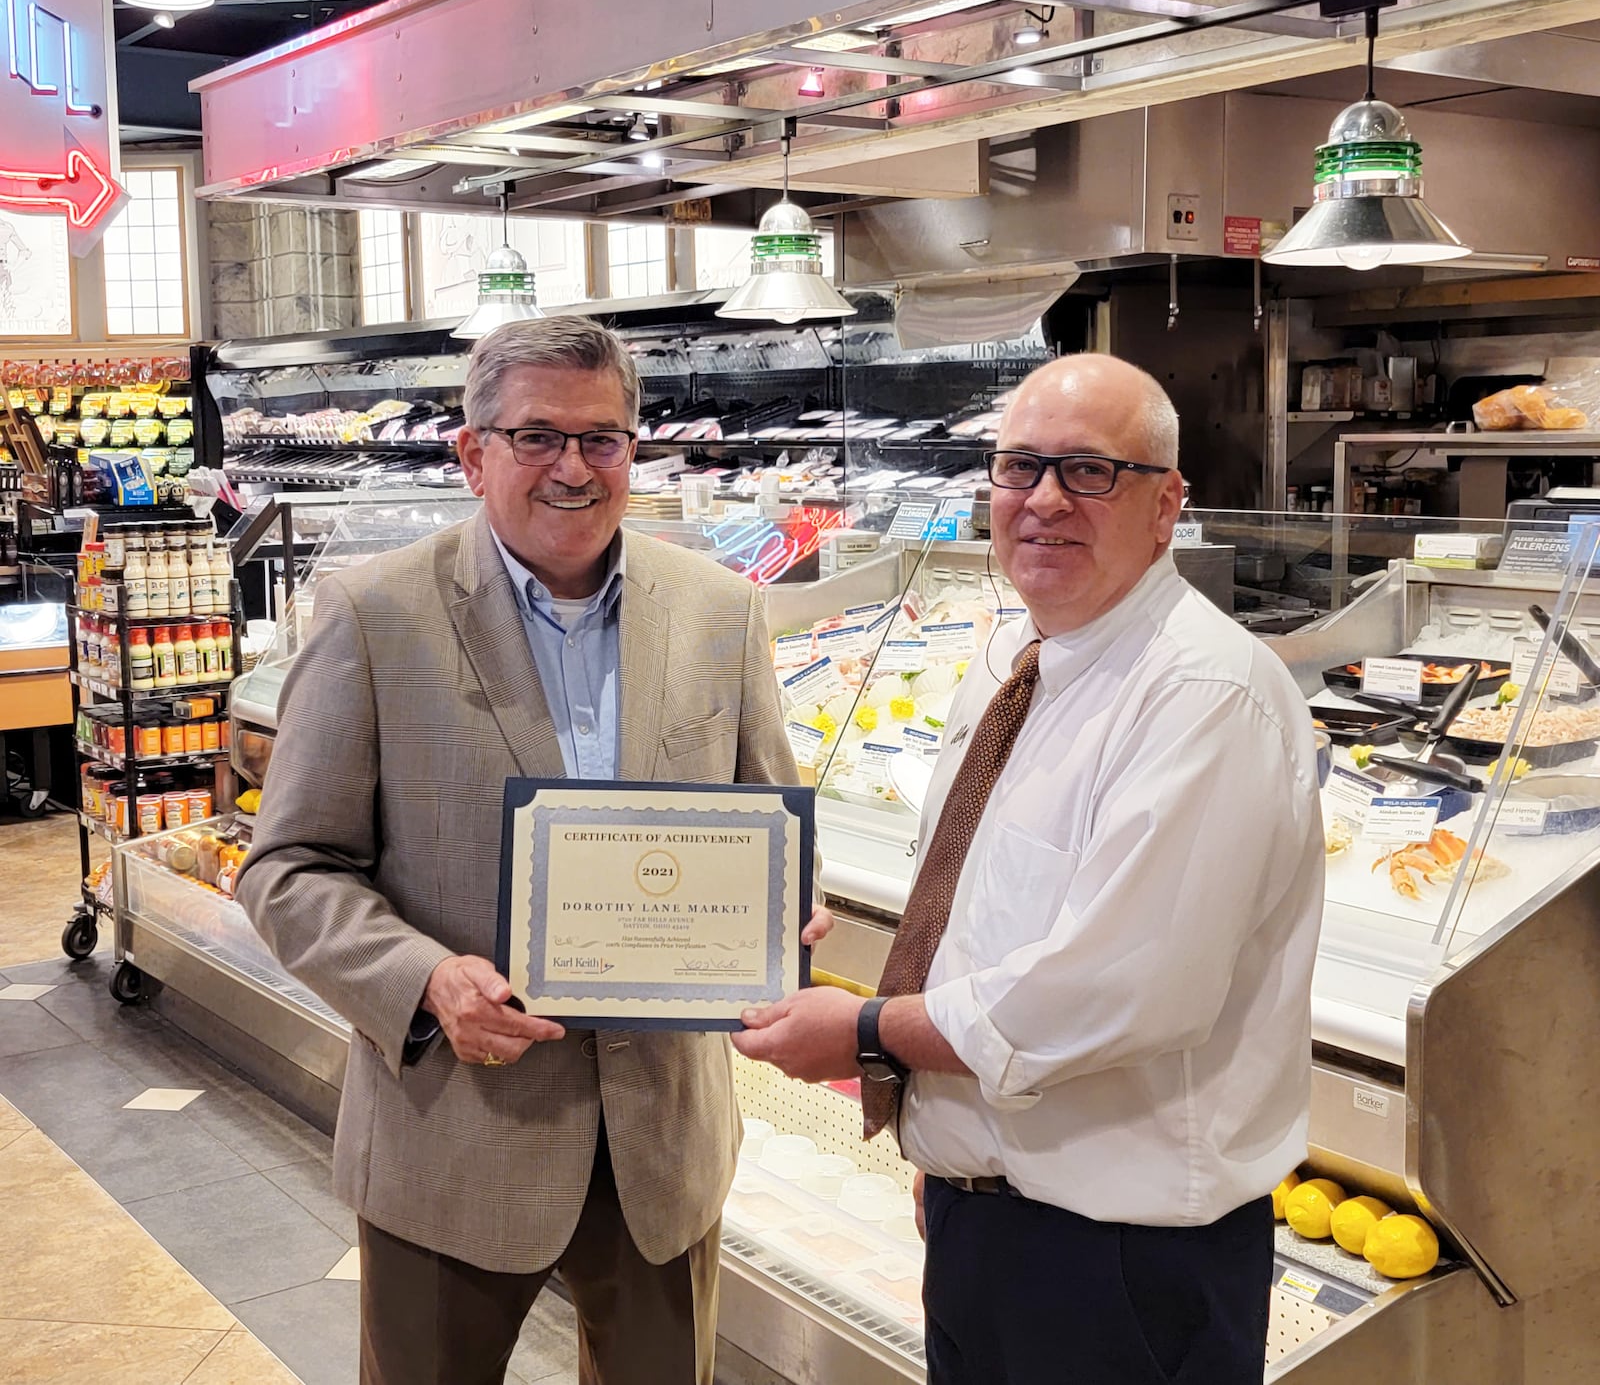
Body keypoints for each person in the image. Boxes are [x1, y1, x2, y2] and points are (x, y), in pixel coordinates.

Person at [238, 315, 829, 1385]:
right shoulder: (377, 614)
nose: (573, 466)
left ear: (633, 450)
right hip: (452, 1136)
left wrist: (778, 915)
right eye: (536, 438)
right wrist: (423, 980)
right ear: (472, 454)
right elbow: (287, 868)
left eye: (601, 438)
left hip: (660, 1143)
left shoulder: (719, 611)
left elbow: (772, 822)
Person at [733, 354, 1324, 1385]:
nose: (1043, 501)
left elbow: (1113, 995)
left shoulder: (1205, 696)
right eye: (1019, 468)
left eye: (1089, 472)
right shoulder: (1020, 657)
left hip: (1122, 1267)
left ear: (1165, 503)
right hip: (991, 1220)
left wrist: (865, 1032)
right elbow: (982, 925)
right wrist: (947, 1150)